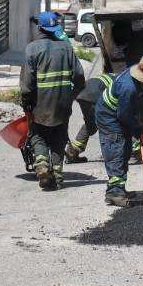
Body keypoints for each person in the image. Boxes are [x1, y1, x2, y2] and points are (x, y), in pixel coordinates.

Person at [20, 11, 85, 190]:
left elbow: (27, 83)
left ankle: (41, 165)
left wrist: (26, 102)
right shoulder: (66, 47)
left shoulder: (32, 49)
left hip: (40, 103)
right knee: (59, 138)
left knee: (38, 136)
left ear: (40, 28)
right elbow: (79, 75)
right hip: (63, 103)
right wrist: (73, 95)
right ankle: (57, 177)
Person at [96, 54, 143, 207]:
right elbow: (123, 115)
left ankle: (119, 188)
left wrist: (137, 124)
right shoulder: (128, 87)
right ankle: (114, 193)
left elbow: (132, 108)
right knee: (116, 151)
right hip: (109, 117)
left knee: (126, 150)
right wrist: (137, 131)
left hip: (121, 114)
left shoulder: (136, 76)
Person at [65, 71, 114, 163]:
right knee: (109, 121)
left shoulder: (112, 77)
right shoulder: (120, 81)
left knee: (90, 124)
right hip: (95, 95)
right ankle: (113, 154)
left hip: (82, 95)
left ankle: (72, 153)